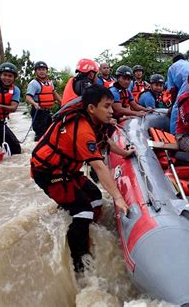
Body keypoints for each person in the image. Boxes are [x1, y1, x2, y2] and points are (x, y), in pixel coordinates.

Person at [31, 84, 129, 273]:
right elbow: (99, 166)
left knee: (95, 196)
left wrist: (124, 153)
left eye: (112, 106)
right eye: (107, 106)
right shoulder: (82, 129)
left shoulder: (95, 122)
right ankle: (79, 262)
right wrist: (118, 197)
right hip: (49, 173)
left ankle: (85, 227)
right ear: (91, 108)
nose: (111, 111)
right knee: (83, 209)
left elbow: (105, 142)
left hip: (68, 171)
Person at [25, 61, 62, 141]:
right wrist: (34, 103)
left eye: (43, 69)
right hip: (38, 112)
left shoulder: (49, 83)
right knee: (40, 135)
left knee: (49, 133)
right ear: (35, 71)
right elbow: (28, 97)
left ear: (46, 71)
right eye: (39, 69)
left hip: (47, 112)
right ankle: (37, 150)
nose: (42, 71)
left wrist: (62, 103)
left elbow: (54, 93)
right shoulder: (33, 83)